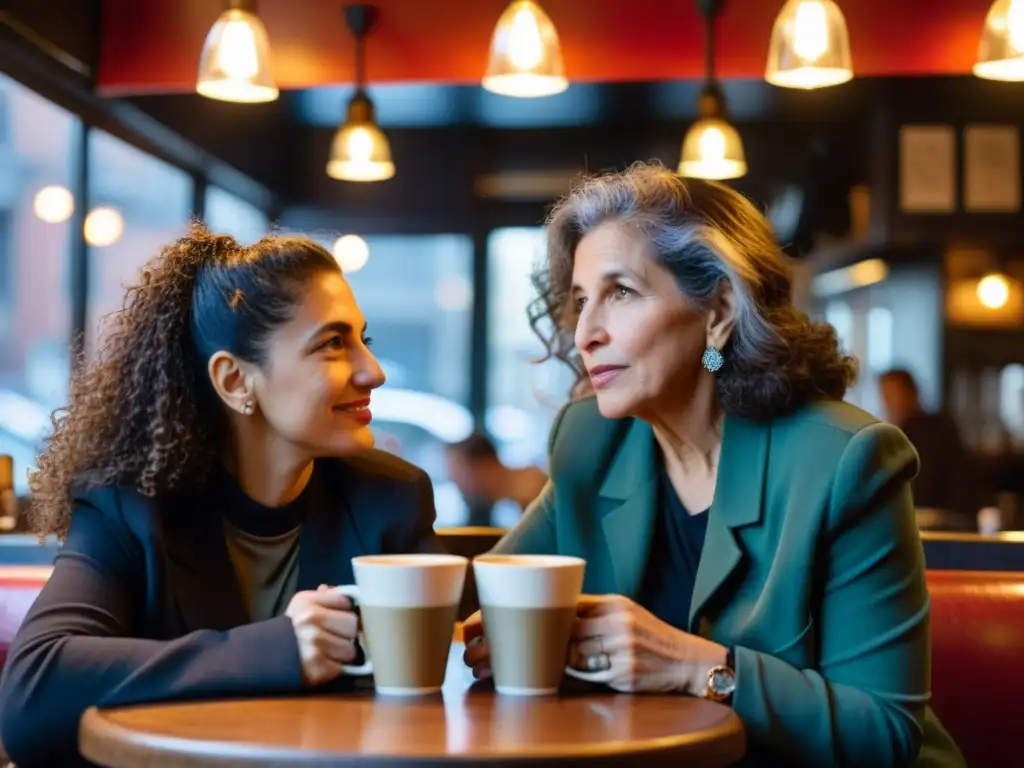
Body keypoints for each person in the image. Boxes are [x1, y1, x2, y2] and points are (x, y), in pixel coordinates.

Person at [463, 163, 964, 767]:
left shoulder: (846, 461)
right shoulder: (590, 439)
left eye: (620, 292)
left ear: (720, 310)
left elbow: (883, 734)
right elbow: (495, 592)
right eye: (579, 301)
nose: (586, 332)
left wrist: (694, 665)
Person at [0, 226, 444, 767]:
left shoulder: (392, 498)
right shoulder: (132, 507)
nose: (371, 371)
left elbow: (433, 691)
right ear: (235, 380)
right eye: (332, 343)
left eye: (362, 340)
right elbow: (33, 691)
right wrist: (278, 649)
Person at [878, 368, 979, 531]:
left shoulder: (936, 431)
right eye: (885, 396)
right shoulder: (892, 435)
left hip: (945, 525)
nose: (889, 402)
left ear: (912, 394)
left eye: (894, 394)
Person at [444, 433, 547, 526]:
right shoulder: (498, 506)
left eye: (457, 472)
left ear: (484, 465)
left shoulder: (533, 492)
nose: (455, 481)